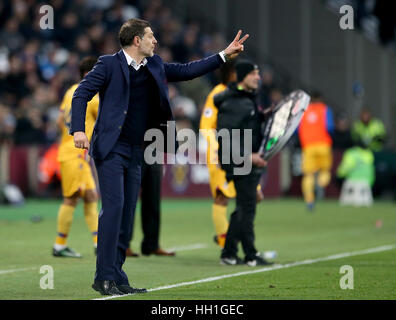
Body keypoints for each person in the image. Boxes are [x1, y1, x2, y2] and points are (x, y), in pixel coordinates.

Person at [71, 18, 249, 295]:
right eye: (151, 36)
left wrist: (224, 55)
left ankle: (117, 276)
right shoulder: (107, 64)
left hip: (138, 150)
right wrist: (78, 130)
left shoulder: (154, 65)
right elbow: (81, 94)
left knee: (127, 214)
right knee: (115, 209)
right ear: (136, 40)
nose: (156, 40)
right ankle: (103, 276)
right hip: (111, 148)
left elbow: (188, 70)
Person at [199, 60, 263, 249]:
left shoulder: (245, 95)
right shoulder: (219, 93)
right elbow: (206, 126)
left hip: (242, 154)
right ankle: (224, 240)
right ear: (230, 74)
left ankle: (232, 240)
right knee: (222, 197)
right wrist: (218, 149)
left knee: (253, 196)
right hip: (222, 154)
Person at [215, 59, 272, 266]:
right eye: (253, 73)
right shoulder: (234, 103)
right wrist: (249, 157)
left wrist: (262, 117)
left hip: (242, 160)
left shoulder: (243, 99)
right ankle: (249, 254)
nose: (258, 77)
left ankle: (231, 253)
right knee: (247, 208)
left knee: (244, 207)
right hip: (239, 161)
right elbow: (226, 136)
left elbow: (245, 127)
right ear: (242, 77)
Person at [52, 56, 99, 258]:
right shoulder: (93, 96)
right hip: (76, 154)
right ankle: (59, 245)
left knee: (91, 196)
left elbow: (59, 121)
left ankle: (99, 243)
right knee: (71, 198)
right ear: (89, 74)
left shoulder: (71, 91)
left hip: (70, 151)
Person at [126, 161, 176, 257]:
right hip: (135, 152)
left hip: (155, 153)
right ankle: (123, 245)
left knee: (153, 200)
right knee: (130, 201)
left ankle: (152, 245)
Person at [298, 92, 334, 211]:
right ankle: (320, 184)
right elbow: (329, 127)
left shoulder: (304, 111)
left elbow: (297, 129)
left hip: (308, 147)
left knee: (308, 174)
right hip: (323, 145)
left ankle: (309, 200)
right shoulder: (325, 109)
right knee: (325, 171)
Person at [336, 139, 375, 206]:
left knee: (347, 191)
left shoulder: (351, 153)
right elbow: (370, 169)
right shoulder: (369, 154)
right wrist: (371, 181)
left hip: (352, 179)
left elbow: (346, 166)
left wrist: (339, 174)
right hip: (366, 180)